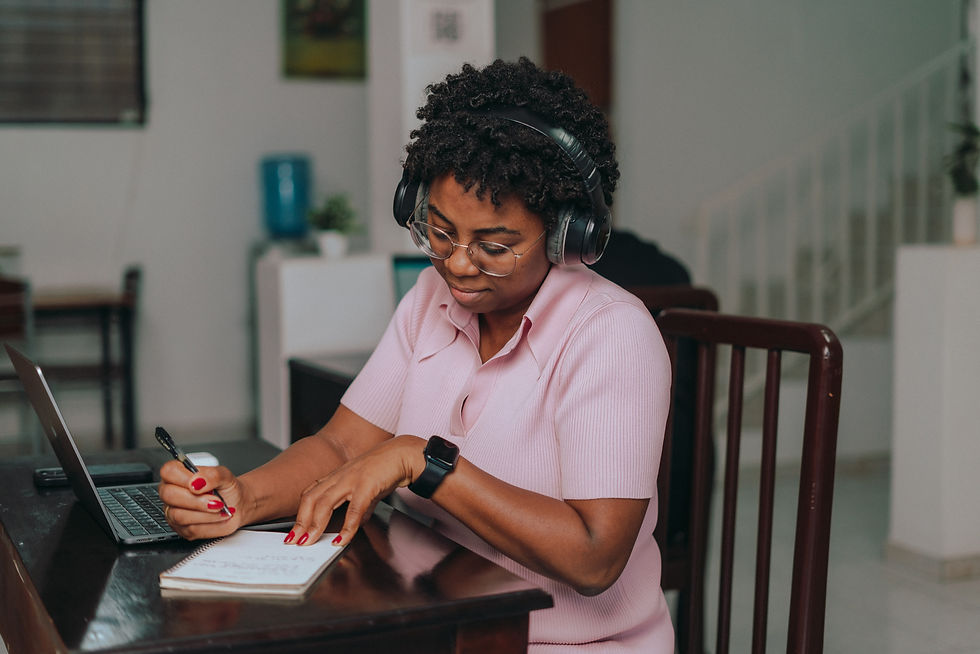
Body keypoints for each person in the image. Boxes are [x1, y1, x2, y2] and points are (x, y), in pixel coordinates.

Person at [159, 57, 674, 652]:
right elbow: (341, 446)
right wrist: (241, 499)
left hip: (561, 645)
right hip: (438, 618)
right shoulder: (431, 296)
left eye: (494, 245)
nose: (456, 263)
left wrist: (423, 461)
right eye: (439, 230)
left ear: (565, 235)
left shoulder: (611, 335)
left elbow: (594, 556)